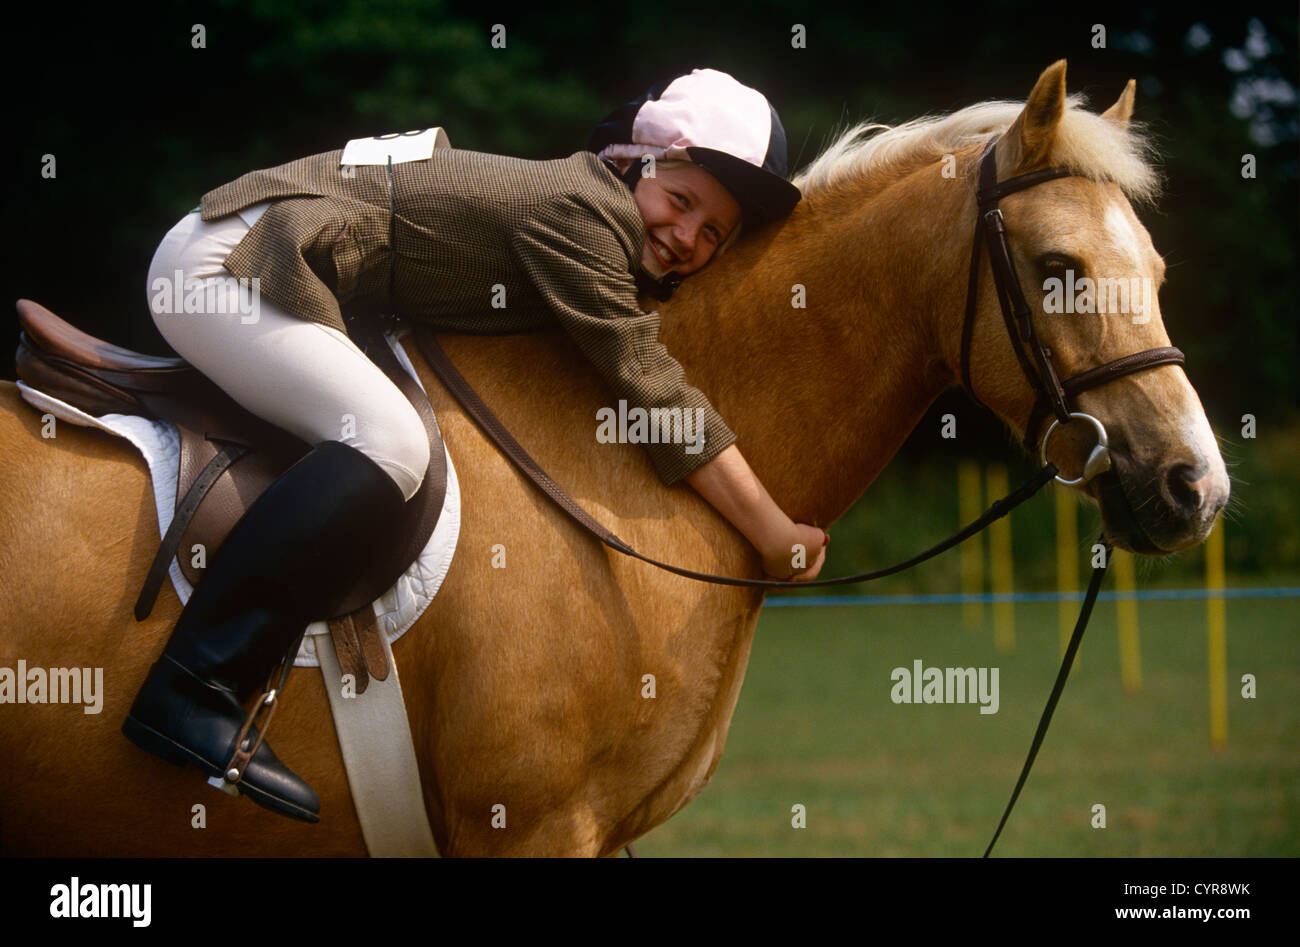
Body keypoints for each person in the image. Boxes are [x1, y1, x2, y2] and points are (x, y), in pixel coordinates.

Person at [122, 67, 829, 824]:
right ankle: (195, 685)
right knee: (390, 439)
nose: (687, 236)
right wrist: (771, 530)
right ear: (633, 162)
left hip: (257, 260)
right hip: (228, 266)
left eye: (714, 232)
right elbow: (651, 386)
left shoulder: (580, 206)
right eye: (681, 201)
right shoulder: (583, 215)